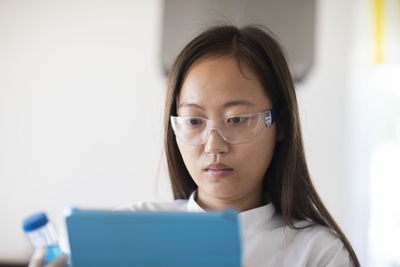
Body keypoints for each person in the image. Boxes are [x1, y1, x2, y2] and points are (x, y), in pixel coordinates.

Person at [29, 25, 360, 266]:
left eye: (237, 119)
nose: (214, 145)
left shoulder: (318, 253)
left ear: (281, 125)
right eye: (193, 121)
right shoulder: (124, 234)